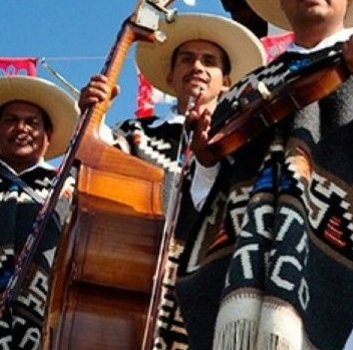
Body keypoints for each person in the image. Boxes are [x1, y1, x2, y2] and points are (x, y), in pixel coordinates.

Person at [174, 0, 353, 349]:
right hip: (249, 266)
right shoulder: (247, 89)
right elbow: (204, 207)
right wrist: (207, 163)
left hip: (350, 268)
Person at [77, 13, 266, 348]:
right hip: (133, 287)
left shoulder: (244, 142)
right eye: (187, 59)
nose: (197, 67)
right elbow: (97, 164)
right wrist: (93, 117)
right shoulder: (135, 133)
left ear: (226, 81)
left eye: (209, 61)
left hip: (212, 285)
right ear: (170, 75)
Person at [0, 76, 77, 349]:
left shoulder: (71, 187)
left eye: (32, 122)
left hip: (48, 328)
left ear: (48, 135)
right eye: (10, 120)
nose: (21, 128)